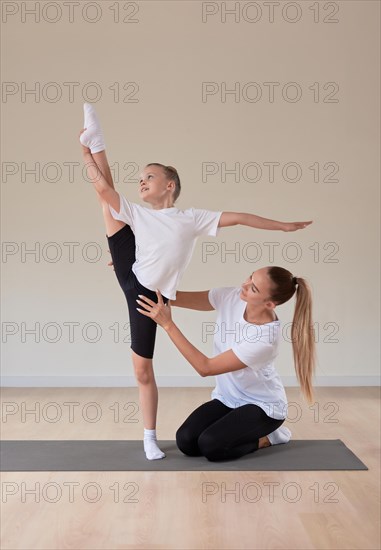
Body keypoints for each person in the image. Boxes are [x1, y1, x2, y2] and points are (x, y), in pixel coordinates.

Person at [79, 103, 312, 460]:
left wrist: (280, 225)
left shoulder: (191, 219)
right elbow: (105, 191)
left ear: (170, 185)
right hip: (133, 270)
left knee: (143, 370)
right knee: (103, 201)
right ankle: (96, 142)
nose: (142, 180)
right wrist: (86, 152)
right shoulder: (140, 216)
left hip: (146, 294)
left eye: (150, 176)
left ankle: (149, 437)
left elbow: (239, 217)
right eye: (140, 176)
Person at [136, 266, 315, 462]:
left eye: (253, 288)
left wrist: (168, 325)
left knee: (211, 446)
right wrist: (131, 268)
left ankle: (268, 438)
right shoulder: (232, 296)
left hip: (263, 406)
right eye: (250, 277)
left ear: (270, 304)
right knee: (186, 441)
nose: (244, 285)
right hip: (228, 398)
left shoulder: (265, 339)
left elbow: (206, 368)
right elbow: (172, 297)